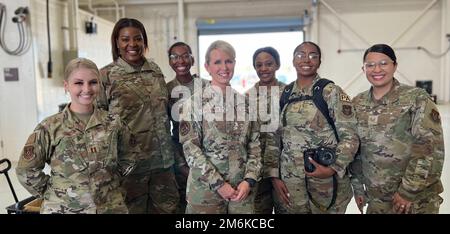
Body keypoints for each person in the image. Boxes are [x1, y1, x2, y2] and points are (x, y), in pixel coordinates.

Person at [16, 58, 137, 214]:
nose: (86, 89)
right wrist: (54, 192)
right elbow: (26, 171)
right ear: (66, 86)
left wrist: (110, 184)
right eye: (78, 83)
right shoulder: (50, 127)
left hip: (109, 207)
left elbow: (130, 156)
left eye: (93, 82)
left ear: (100, 84)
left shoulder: (114, 123)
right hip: (63, 209)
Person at [350, 44, 445, 214]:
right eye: (370, 65)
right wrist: (358, 188)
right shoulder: (357, 103)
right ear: (363, 69)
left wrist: (408, 192)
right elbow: (355, 150)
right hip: (376, 200)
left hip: (414, 201)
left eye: (384, 63)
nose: (377, 69)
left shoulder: (416, 98)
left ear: (395, 66)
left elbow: (429, 150)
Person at [97, 18, 179, 214]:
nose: (132, 44)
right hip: (130, 166)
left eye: (138, 39)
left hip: (163, 162)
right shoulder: (106, 76)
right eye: (125, 39)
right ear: (116, 42)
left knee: (169, 210)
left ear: (144, 41)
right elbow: (98, 124)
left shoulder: (155, 70)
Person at [269, 41, 359, 214]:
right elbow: (273, 139)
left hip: (325, 182)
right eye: (300, 55)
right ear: (293, 60)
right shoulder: (284, 94)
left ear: (319, 61)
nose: (306, 60)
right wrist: (274, 177)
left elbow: (350, 136)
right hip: (290, 183)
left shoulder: (330, 92)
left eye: (313, 56)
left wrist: (333, 168)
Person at [179, 40, 262, 214]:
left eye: (228, 61)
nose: (224, 67)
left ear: (234, 64)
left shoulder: (246, 104)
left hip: (241, 193)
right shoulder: (193, 104)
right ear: (207, 67)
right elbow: (191, 150)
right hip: (205, 193)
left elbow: (255, 146)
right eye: (217, 62)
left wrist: (249, 180)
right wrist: (219, 184)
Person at [166, 41, 209, 213]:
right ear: (169, 61)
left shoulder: (207, 86)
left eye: (185, 56)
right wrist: (181, 164)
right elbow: (164, 130)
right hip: (182, 158)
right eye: (174, 57)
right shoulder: (166, 90)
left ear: (192, 58)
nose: (180, 61)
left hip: (209, 155)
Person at [250, 47, 285, 214]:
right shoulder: (246, 98)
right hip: (258, 172)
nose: (263, 69)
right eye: (259, 65)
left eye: (269, 64)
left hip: (285, 170)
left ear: (277, 65)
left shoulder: (289, 93)